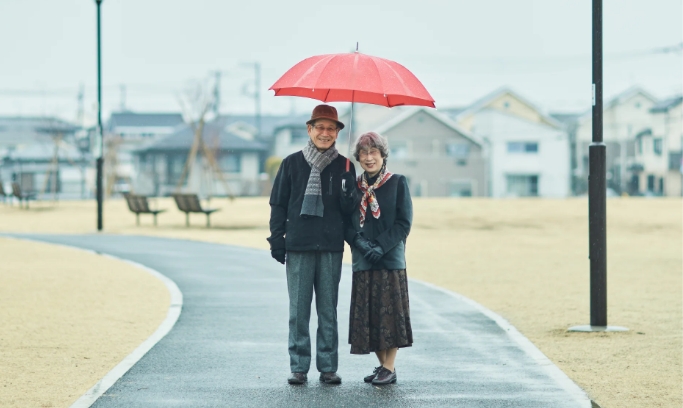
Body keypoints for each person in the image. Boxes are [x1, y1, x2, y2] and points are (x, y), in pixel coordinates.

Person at [267, 104, 357, 385]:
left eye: (331, 128)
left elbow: (351, 211)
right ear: (310, 129)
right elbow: (278, 204)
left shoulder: (345, 166)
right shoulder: (291, 163)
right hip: (298, 245)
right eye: (320, 127)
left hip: (331, 247)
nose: (325, 133)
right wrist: (276, 240)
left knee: (328, 311)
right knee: (298, 311)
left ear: (338, 133)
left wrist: (347, 191)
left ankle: (328, 367)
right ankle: (298, 367)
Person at [344, 131, 413, 385]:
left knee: (390, 316)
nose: (369, 157)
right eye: (364, 153)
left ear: (383, 155)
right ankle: (383, 366)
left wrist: (380, 247)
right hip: (363, 260)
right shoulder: (353, 186)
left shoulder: (397, 182)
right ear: (358, 157)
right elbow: (346, 223)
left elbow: (403, 223)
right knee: (370, 316)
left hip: (389, 260)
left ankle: (390, 367)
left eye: (374, 152)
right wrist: (361, 243)